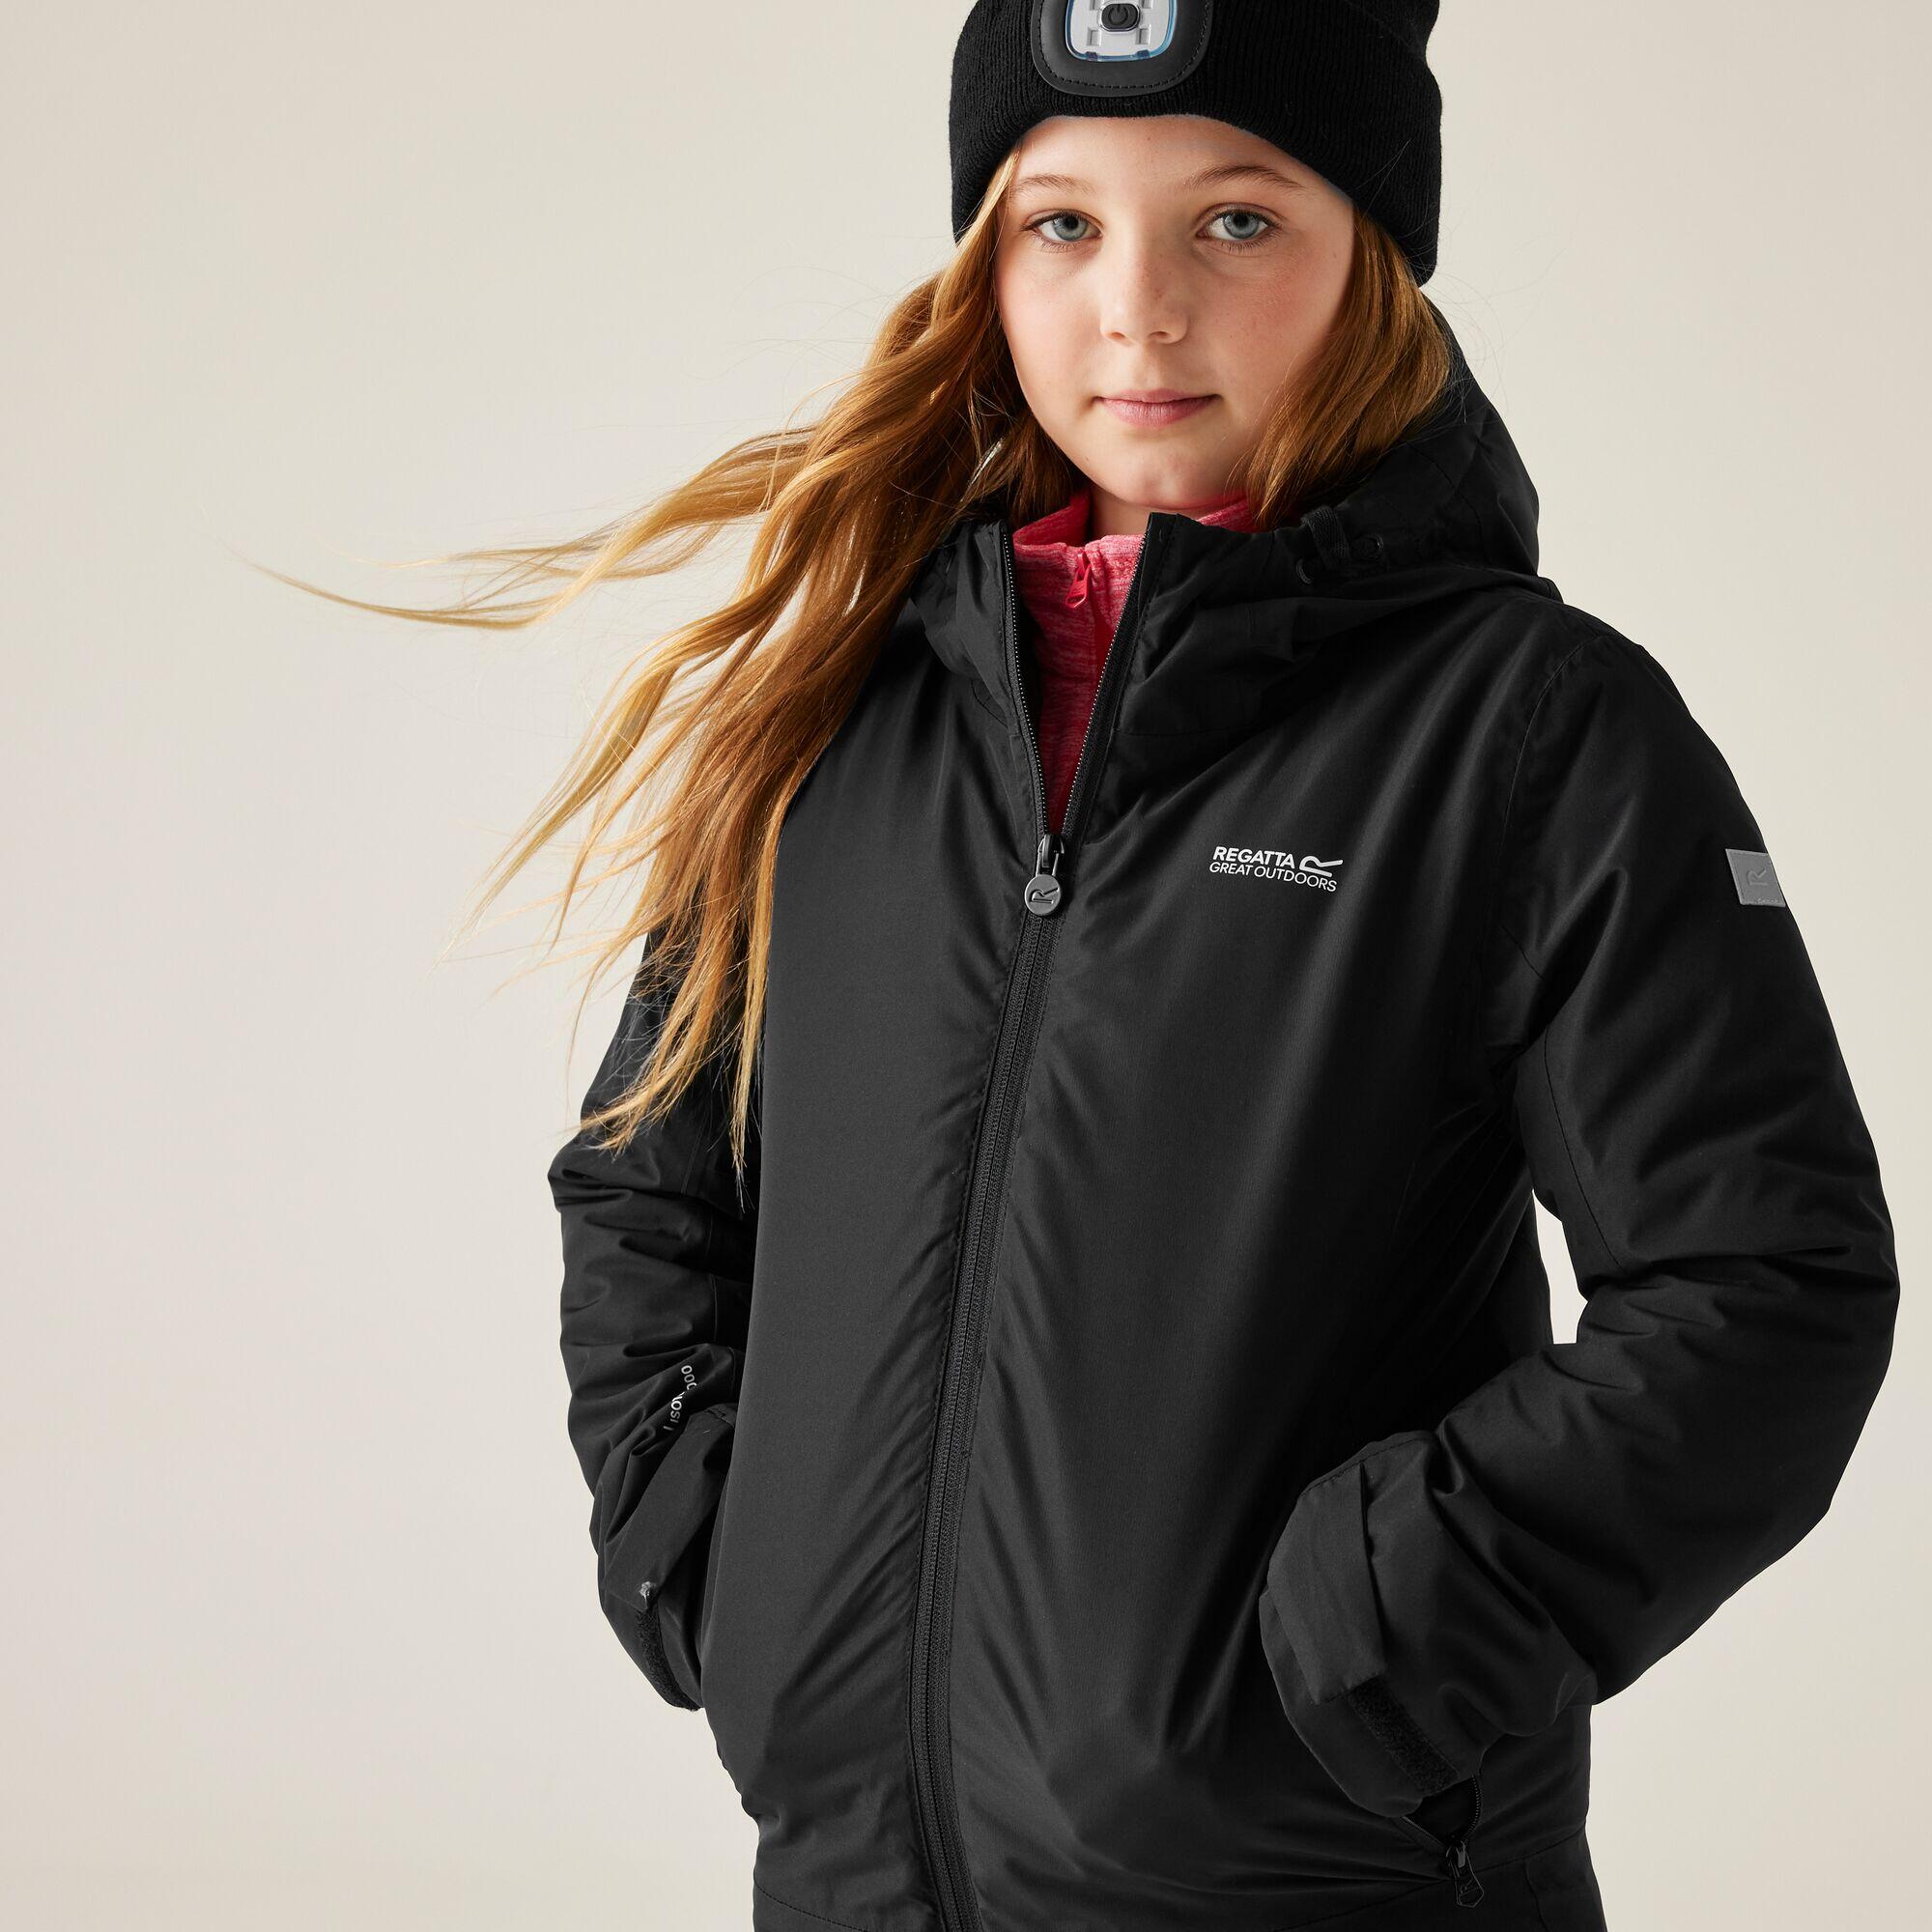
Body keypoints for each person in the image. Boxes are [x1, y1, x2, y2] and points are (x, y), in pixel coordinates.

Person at [274, 4, 1899, 1926]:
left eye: (1236, 220)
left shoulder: (1529, 732)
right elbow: (650, 1178)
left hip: (1326, 1884)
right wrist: (718, 1549)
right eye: (1061, 223)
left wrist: (1391, 1622)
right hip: (859, 1884)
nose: (1138, 309)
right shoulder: (837, 719)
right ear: (986, 261)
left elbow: (1762, 1279)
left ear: (1372, 259)